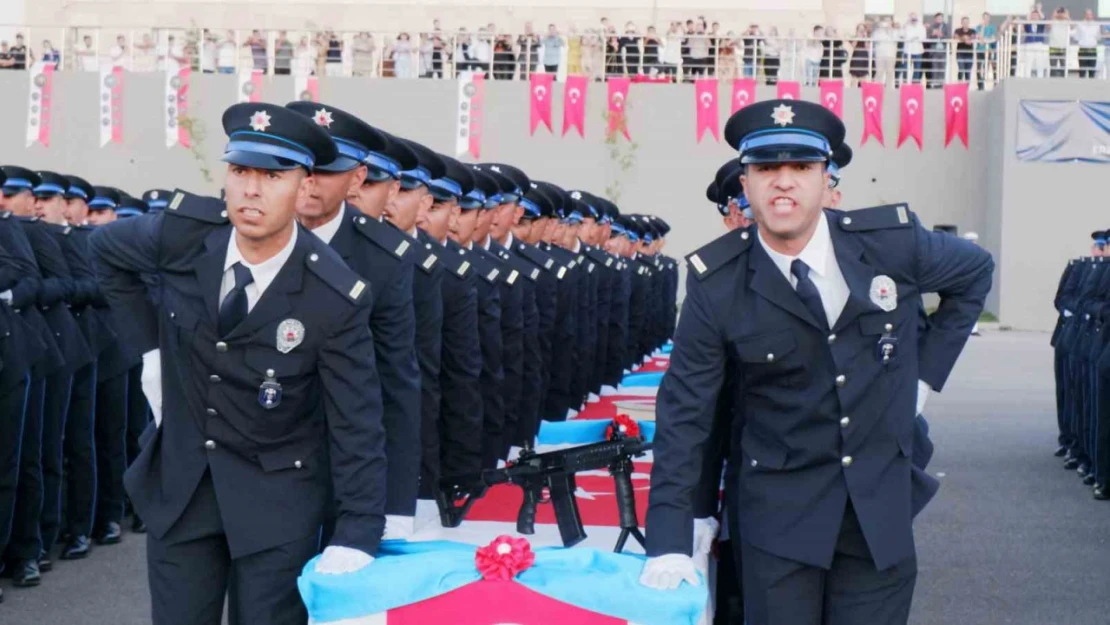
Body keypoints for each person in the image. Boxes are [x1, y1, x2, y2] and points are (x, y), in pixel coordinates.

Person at [640, 100, 993, 625]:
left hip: (879, 514)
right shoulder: (718, 284)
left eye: (801, 168)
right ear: (745, 182)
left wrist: (923, 380)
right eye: (766, 169)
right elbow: (685, 413)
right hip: (778, 519)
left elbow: (975, 274)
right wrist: (669, 537)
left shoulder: (890, 245)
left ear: (827, 179)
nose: (784, 183)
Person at [88, 103, 388, 625]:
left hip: (277, 502)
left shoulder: (333, 294)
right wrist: (151, 354)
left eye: (272, 176)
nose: (251, 190)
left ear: (303, 188)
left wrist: (358, 532)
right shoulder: (182, 236)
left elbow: (355, 420)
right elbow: (105, 253)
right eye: (240, 171)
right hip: (181, 490)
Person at [286, 102, 422, 541]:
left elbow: (397, 382)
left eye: (324, 168)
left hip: (338, 460)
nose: (308, 181)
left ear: (356, 178)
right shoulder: (241, 239)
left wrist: (397, 503)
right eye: (294, 165)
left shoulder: (382, 258)